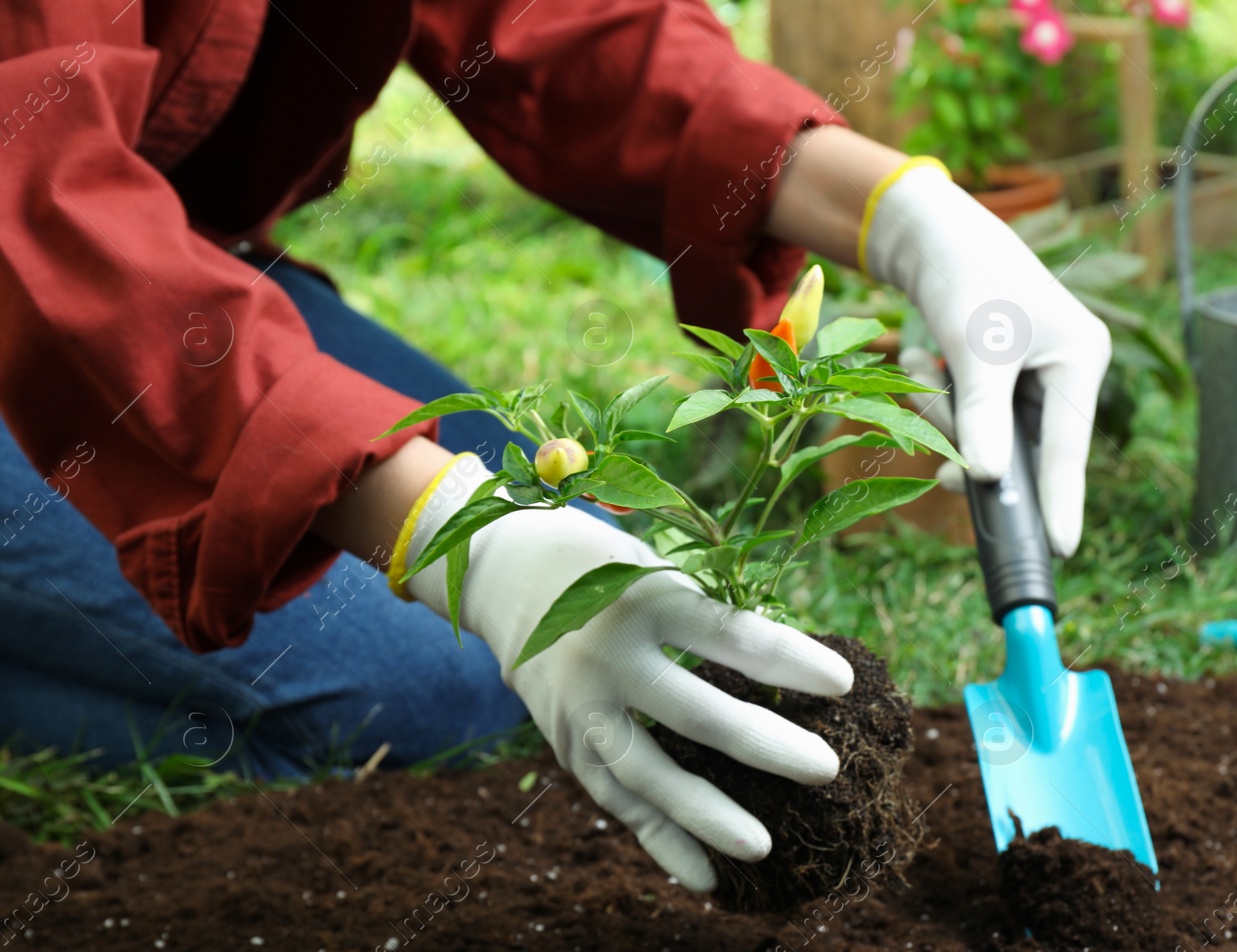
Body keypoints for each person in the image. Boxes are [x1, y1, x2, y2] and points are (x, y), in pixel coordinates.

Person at [0, 0, 1111, 891]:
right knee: (425, 687)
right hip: (51, 292)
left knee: (589, 578)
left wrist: (906, 215)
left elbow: (551, 26)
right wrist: (460, 546)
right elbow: (36, 200)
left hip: (181, 287)